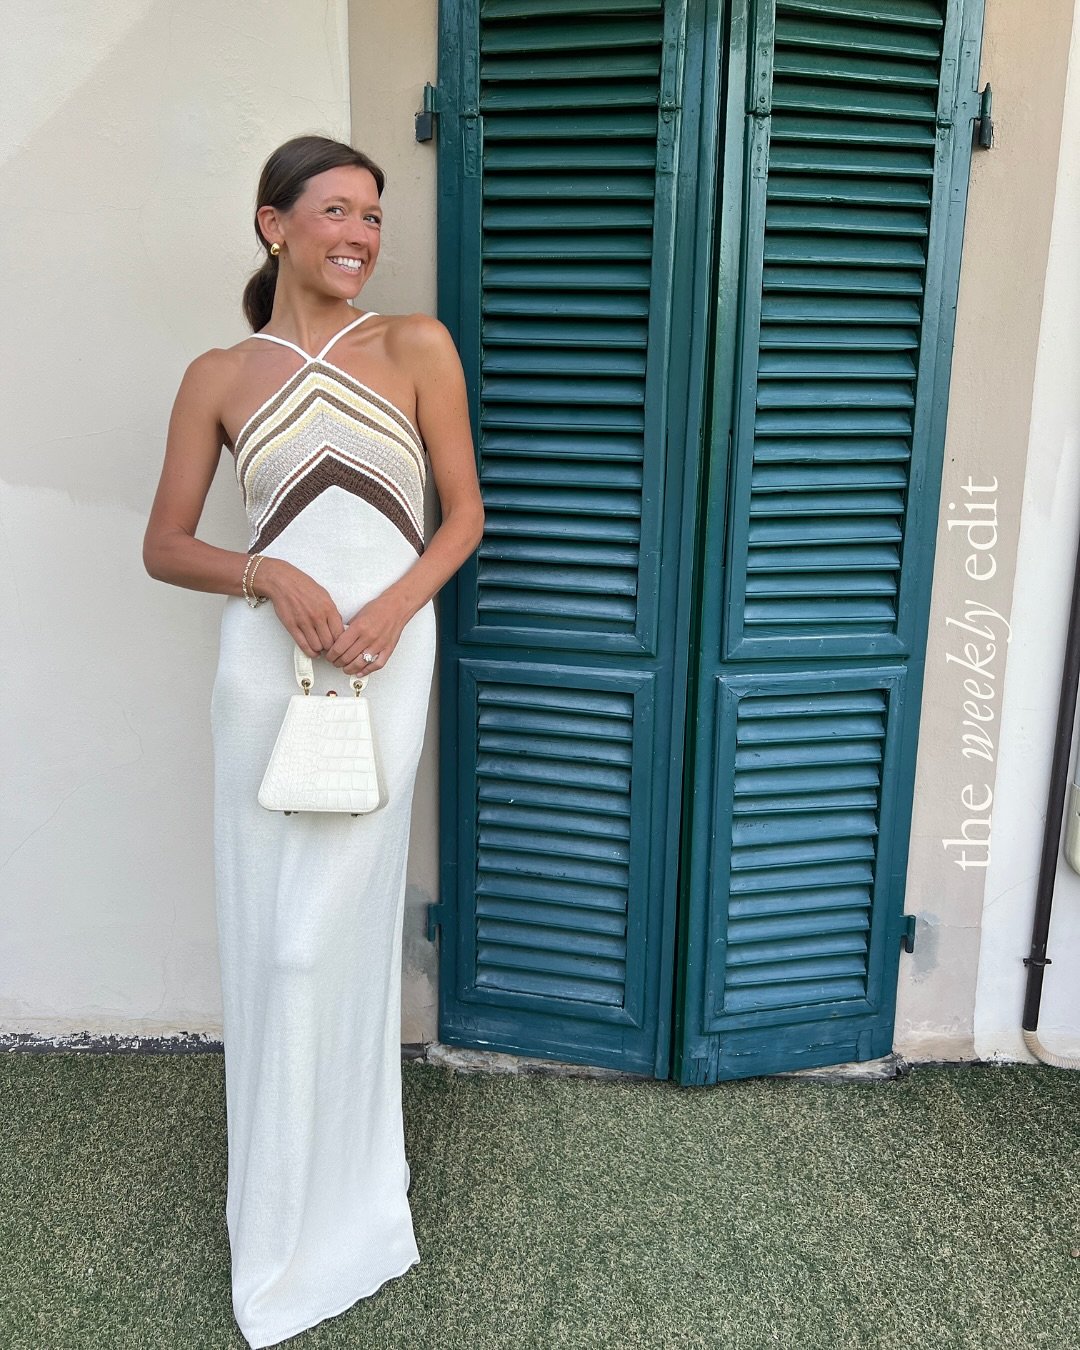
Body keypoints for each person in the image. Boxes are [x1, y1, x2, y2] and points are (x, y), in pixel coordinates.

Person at [142, 134, 484, 1348]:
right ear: (273, 224)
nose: (360, 234)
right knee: (267, 934)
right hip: (262, 670)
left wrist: (394, 607)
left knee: (322, 938)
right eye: (336, 210)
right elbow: (166, 544)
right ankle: (275, 1210)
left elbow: (464, 516)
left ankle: (344, 1205)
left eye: (373, 216)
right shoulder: (218, 375)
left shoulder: (416, 345)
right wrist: (267, 573)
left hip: (382, 661)